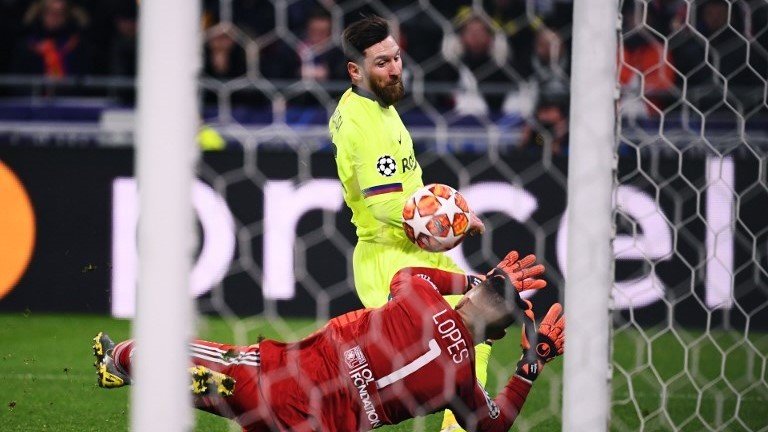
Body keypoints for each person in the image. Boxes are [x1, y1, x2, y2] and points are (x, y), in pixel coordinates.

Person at [94, 251, 564, 432]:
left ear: (475, 294)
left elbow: (406, 272)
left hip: (279, 382)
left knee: (177, 354)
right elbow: (493, 426)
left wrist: (468, 278)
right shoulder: (461, 381)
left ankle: (121, 361)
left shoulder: (421, 297)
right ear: (498, 335)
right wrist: (532, 361)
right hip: (320, 429)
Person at [327, 15, 487, 431]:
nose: (395, 68)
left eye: (396, 58)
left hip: (413, 252)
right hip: (390, 260)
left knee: (479, 326)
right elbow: (382, 205)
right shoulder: (361, 122)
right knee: (414, 364)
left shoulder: (379, 106)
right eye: (382, 63)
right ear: (355, 70)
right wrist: (449, 220)